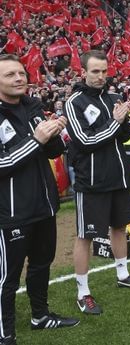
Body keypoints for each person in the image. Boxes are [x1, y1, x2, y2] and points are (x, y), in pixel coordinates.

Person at [64, 50, 130, 316]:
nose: (101, 76)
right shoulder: (74, 102)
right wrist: (115, 122)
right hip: (92, 182)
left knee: (119, 226)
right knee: (85, 235)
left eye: (104, 71)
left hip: (120, 176)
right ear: (84, 73)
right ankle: (83, 292)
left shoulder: (114, 97)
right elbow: (85, 141)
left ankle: (123, 275)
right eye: (95, 71)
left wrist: (124, 120)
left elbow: (122, 136)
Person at [0, 55, 79, 345]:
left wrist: (55, 133)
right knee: (7, 278)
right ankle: (5, 334)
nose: (19, 78)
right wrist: (36, 139)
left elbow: (52, 152)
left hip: (44, 206)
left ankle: (40, 316)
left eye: (21, 73)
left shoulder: (33, 107)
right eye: (10, 75)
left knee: (41, 265)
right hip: (11, 212)